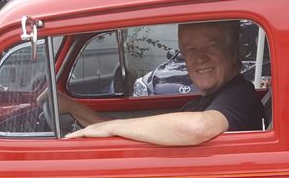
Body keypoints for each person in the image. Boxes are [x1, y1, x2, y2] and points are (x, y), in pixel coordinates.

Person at [57, 20, 265, 145]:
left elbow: (200, 127)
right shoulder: (207, 100)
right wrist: (72, 107)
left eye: (211, 46)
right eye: (191, 50)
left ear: (232, 52)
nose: (200, 58)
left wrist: (110, 128)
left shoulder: (239, 96)